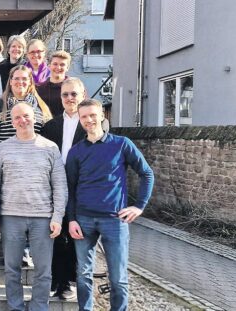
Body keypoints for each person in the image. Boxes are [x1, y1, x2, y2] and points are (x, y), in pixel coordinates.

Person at [66, 99, 155, 311]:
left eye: (92, 115)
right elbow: (70, 187)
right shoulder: (75, 152)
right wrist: (71, 219)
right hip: (83, 220)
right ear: (80, 119)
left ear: (102, 115)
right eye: (84, 116)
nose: (89, 120)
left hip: (114, 220)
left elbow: (146, 173)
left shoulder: (121, 144)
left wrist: (139, 206)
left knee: (118, 277)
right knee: (83, 275)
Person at [0, 102, 66, 311]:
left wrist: (57, 217)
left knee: (43, 270)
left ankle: (38, 307)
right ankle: (15, 307)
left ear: (34, 117)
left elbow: (60, 185)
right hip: (10, 216)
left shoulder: (50, 147)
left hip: (42, 217)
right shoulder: (2, 148)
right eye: (17, 117)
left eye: (26, 116)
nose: (22, 121)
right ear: (11, 121)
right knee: (11, 268)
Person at [40, 78, 89, 300]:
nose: (70, 98)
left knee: (75, 233)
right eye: (65, 95)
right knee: (56, 233)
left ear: (82, 95)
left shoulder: (92, 124)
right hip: (55, 187)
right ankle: (56, 279)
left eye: (74, 94)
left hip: (81, 187)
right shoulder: (50, 126)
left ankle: (69, 281)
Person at [0, 65, 52, 158]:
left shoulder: (40, 107)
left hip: (34, 159)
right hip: (6, 159)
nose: (20, 82)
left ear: (30, 82)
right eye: (17, 79)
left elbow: (45, 137)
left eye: (24, 79)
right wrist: (4, 157)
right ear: (11, 81)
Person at [36, 50, 72, 117]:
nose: (58, 67)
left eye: (62, 65)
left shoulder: (74, 88)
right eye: (55, 64)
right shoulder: (39, 89)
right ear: (49, 66)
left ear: (67, 68)